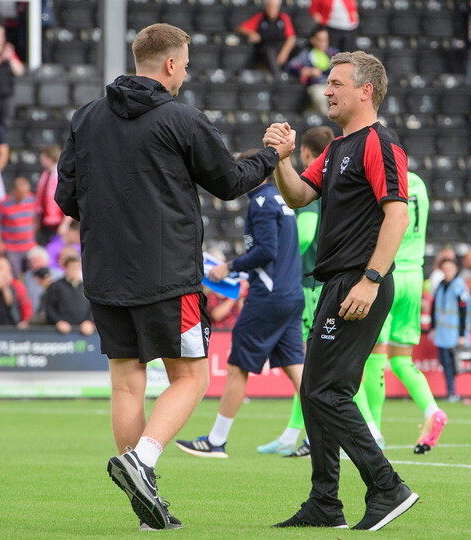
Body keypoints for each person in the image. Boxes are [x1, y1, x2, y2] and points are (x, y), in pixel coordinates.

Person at [54, 23, 287, 531]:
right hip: (168, 275)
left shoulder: (86, 117)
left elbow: (65, 198)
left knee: (126, 387)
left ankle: (145, 503)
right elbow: (229, 183)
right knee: (191, 376)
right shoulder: (181, 117)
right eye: (186, 63)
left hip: (104, 274)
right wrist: (272, 155)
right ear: (172, 65)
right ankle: (143, 461)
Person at [264, 50, 418, 531]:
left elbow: (398, 214)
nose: (327, 90)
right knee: (314, 391)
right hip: (336, 282)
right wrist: (279, 160)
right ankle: (325, 502)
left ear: (365, 90)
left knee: (328, 390)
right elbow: (297, 196)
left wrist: (371, 280)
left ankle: (387, 487)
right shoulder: (335, 149)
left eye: (336, 83)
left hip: (359, 282)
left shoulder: (380, 143)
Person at [176, 151, 305, 460]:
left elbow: (265, 252)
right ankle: (321, 436)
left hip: (268, 297)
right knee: (297, 369)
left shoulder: (261, 203)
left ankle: (217, 440)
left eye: (241, 168)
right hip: (291, 294)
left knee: (236, 368)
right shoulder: (281, 200)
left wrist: (229, 268)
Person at [352, 170, 448, 456]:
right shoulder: (418, 181)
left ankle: (372, 432)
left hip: (389, 275)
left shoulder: (384, 182)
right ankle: (432, 409)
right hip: (415, 276)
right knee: (401, 360)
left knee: (374, 359)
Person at [256, 126, 334, 459]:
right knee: (311, 365)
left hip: (309, 286)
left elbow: (304, 236)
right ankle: (292, 433)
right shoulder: (331, 181)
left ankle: (348, 432)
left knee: (315, 365)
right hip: (318, 284)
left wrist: (278, 254)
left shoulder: (309, 191)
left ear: (305, 153)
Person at [429, 257, 470, 404]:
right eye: (445, 269)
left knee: (450, 363)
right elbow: (434, 307)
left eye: (450, 269)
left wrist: (461, 334)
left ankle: (451, 392)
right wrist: (433, 327)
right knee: (444, 362)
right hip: (442, 332)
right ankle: (451, 392)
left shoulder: (459, 286)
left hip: (453, 333)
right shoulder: (441, 285)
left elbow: (464, 310)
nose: (447, 272)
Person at [285, 26, 340, 114]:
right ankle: (326, 119)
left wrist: (321, 72)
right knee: (319, 95)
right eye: (320, 40)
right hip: (317, 85)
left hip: (334, 85)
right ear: (313, 40)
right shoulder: (307, 54)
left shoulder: (333, 53)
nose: (323, 43)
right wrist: (302, 70)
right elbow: (291, 66)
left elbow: (340, 69)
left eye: (325, 40)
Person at [237, 0, 296, 77]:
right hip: (265, 48)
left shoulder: (283, 18)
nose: (272, 10)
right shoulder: (260, 17)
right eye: (270, 7)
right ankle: (278, 78)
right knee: (269, 52)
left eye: (274, 7)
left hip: (281, 47)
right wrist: (251, 33)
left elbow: (291, 37)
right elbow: (241, 28)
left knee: (298, 51)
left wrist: (284, 53)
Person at [0, 176, 37, 277]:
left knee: (32, 275)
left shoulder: (31, 199)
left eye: (25, 193)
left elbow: (35, 218)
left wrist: (33, 233)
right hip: (11, 247)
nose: (24, 196)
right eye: (21, 193)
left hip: (29, 245)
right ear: (14, 191)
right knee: (14, 275)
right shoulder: (4, 203)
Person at [42, 256, 94, 335]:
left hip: (85, 331)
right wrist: (58, 321)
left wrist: (89, 321)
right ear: (65, 269)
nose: (75, 270)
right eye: (72, 267)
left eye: (78, 267)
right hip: (61, 333)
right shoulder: (56, 286)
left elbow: (93, 306)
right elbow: (49, 307)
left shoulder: (87, 286)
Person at [34, 145, 63, 245]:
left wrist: (65, 224)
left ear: (50, 158)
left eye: (43, 157)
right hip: (44, 221)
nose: (41, 160)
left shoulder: (60, 174)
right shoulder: (45, 175)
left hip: (57, 222)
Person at [21, 246, 61, 311]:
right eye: (31, 262)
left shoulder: (58, 275)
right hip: (34, 314)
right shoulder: (27, 276)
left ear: (45, 260)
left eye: (36, 261)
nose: (34, 265)